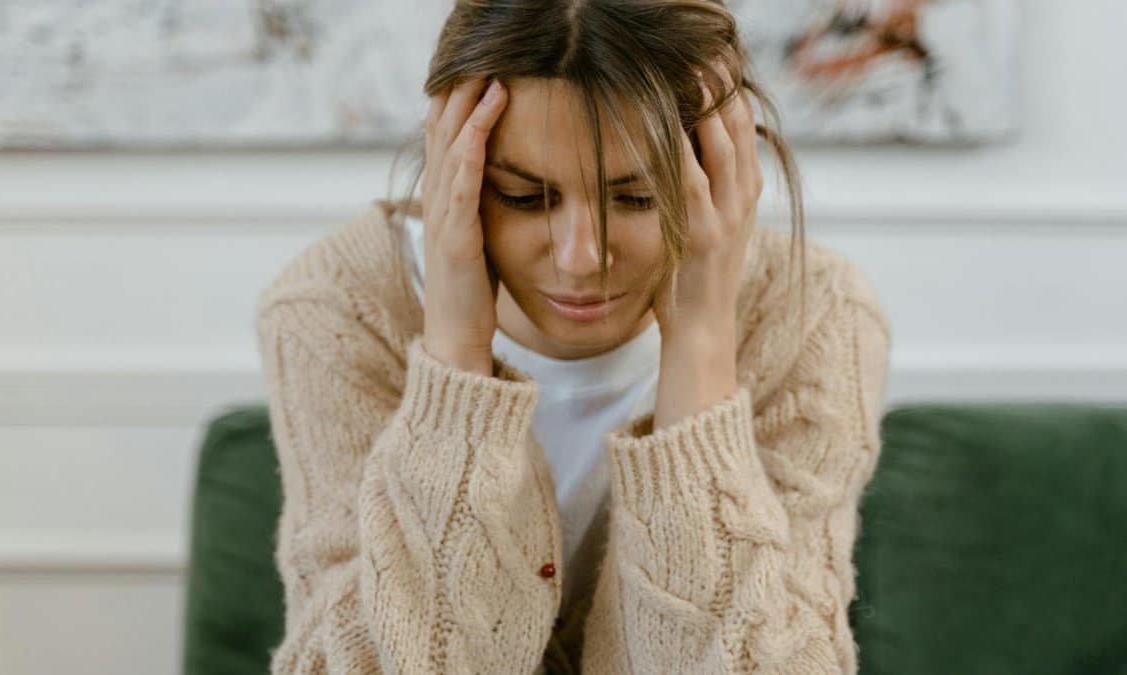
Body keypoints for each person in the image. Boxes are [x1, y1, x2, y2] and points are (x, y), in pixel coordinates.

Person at [254, 1, 893, 673]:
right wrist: (453, 367)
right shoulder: (338, 311)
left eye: (637, 197)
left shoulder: (811, 313)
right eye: (525, 197)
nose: (582, 257)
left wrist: (701, 349)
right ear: (453, 166)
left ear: (719, 164)